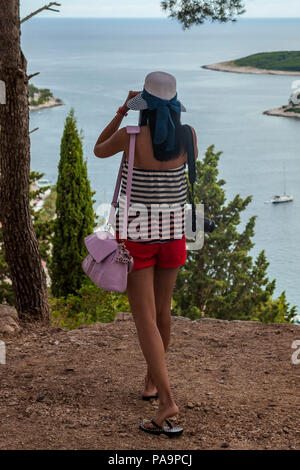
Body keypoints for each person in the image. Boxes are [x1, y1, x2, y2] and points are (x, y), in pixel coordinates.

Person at [94, 71, 198, 437]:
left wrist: (123, 110)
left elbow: (99, 148)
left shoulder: (132, 135)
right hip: (173, 234)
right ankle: (152, 383)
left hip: (138, 235)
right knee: (163, 312)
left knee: (145, 319)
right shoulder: (189, 136)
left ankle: (166, 399)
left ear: (145, 104)